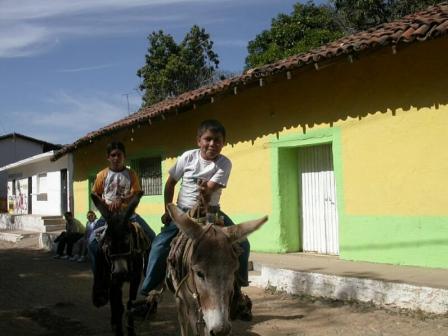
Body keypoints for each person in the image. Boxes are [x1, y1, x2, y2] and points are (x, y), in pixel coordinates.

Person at [131, 119, 251, 320]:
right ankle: (149, 292)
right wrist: (169, 210)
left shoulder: (224, 163)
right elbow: (170, 184)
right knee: (160, 245)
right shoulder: (187, 158)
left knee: (243, 244)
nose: (212, 144)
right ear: (199, 141)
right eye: (208, 139)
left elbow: (210, 189)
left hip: (212, 212)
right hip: (185, 213)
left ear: (223, 143)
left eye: (217, 140)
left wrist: (205, 191)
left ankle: (238, 290)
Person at [89, 141, 156, 306]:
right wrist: (105, 203)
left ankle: (149, 282)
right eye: (113, 155)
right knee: (91, 243)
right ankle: (100, 281)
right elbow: (95, 194)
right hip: (108, 217)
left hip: (129, 216)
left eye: (119, 155)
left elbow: (137, 193)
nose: (116, 158)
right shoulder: (102, 175)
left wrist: (122, 200)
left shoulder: (131, 174)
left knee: (152, 238)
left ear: (124, 157)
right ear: (108, 158)